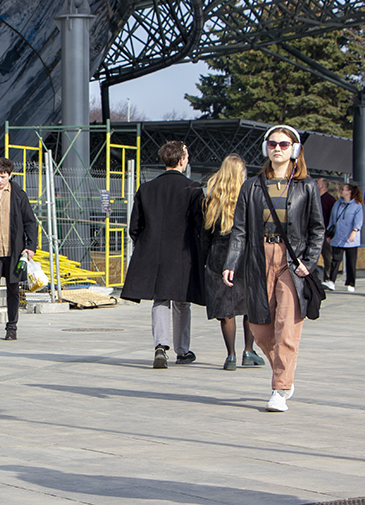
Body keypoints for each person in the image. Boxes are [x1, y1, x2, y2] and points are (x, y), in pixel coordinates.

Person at [223, 125, 323, 412]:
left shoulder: (306, 186)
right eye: (272, 143)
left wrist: (308, 260)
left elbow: (317, 229)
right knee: (260, 328)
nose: (277, 148)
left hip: (292, 261)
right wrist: (231, 262)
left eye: (283, 144)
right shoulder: (251, 186)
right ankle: (284, 371)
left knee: (287, 327)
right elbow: (240, 229)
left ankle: (279, 388)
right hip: (259, 258)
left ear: (295, 149)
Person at [121, 140, 204, 369]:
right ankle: (183, 350)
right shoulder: (193, 189)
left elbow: (134, 227)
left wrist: (146, 245)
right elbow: (200, 225)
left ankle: (160, 346)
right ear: (182, 160)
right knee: (182, 301)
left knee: (160, 299)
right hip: (182, 254)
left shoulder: (146, 189)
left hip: (154, 253)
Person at [200, 154, 264, 371]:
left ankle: (231, 355)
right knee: (248, 305)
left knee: (225, 308)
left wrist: (204, 260)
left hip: (218, 255)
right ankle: (248, 350)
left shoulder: (211, 200)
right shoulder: (250, 197)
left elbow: (205, 235)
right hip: (244, 255)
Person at [0, 157, 38, 341]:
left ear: (10, 175)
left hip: (14, 251)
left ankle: (12, 328)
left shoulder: (19, 195)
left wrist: (30, 247)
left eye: (3, 176)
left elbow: (30, 222)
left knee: (13, 288)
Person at [325, 182, 363, 292]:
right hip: (337, 236)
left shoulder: (357, 205)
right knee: (335, 260)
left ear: (349, 192)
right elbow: (332, 219)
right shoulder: (337, 203)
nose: (341, 191)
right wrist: (329, 234)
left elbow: (358, 220)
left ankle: (351, 283)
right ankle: (331, 281)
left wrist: (354, 231)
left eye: (343, 189)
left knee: (351, 261)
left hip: (350, 238)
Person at [316, 178, 336, 278]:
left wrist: (330, 234)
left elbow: (333, 219)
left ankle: (328, 277)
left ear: (321, 186)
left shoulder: (330, 200)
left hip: (325, 232)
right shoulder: (315, 198)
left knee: (327, 256)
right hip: (315, 232)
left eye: (317, 183)